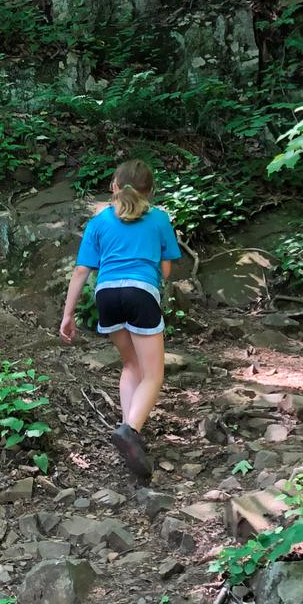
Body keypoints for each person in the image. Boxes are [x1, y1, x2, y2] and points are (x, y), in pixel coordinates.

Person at [60, 159, 182, 478]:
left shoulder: (99, 222)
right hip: (140, 292)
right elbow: (166, 270)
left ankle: (131, 435)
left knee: (131, 366)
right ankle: (129, 431)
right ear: (151, 190)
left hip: (107, 295)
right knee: (153, 375)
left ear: (114, 186)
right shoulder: (159, 218)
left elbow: (81, 271)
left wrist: (68, 314)